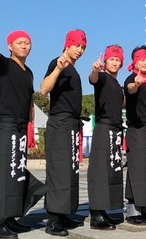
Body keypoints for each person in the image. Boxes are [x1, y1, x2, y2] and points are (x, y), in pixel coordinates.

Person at [0, 1, 45, 239]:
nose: (24, 45)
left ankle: (10, 217)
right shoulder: (4, 65)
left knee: (15, 173)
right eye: (20, 42)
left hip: (20, 127)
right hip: (6, 125)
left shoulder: (28, 72)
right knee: (1, 173)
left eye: (27, 42)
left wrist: (30, 126)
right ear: (10, 46)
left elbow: (29, 102)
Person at [40, 29, 87, 236]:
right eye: (76, 45)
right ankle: (53, 220)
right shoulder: (56, 62)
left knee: (69, 172)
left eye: (83, 47)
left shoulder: (75, 70)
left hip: (71, 125)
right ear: (67, 44)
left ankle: (64, 212)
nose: (80, 50)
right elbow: (43, 89)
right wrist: (58, 69)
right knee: (59, 172)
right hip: (59, 123)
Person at [87, 45, 126, 230]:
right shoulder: (102, 77)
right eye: (111, 59)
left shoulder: (117, 84)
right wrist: (95, 70)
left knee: (110, 172)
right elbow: (92, 79)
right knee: (100, 171)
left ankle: (103, 211)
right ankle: (96, 214)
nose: (115, 62)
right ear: (105, 62)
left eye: (118, 60)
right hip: (104, 128)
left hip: (115, 130)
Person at [123, 45, 146, 226]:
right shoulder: (132, 79)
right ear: (134, 61)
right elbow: (130, 88)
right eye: (142, 59)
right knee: (137, 169)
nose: (145, 62)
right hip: (136, 129)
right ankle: (133, 210)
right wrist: (135, 84)